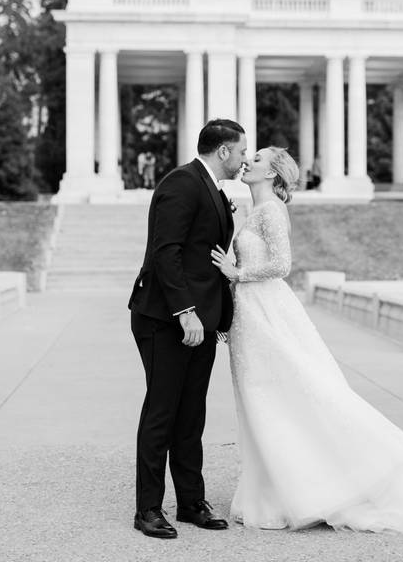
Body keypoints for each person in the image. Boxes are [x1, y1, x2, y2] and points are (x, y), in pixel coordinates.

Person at [210, 147, 403, 533]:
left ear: (271, 174)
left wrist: (237, 272)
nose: (247, 161)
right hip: (249, 315)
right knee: (263, 401)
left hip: (267, 312)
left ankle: (312, 488)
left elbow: (282, 266)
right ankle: (275, 490)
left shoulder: (270, 210)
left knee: (286, 394)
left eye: (256, 158)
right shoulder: (256, 209)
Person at [128, 119, 248, 539]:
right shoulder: (181, 182)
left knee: (191, 412)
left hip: (202, 321)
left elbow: (206, 257)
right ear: (222, 152)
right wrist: (186, 312)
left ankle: (191, 502)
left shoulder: (213, 186)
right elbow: (167, 252)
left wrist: (217, 317)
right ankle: (148, 509)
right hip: (166, 318)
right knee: (162, 410)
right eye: (241, 151)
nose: (244, 159)